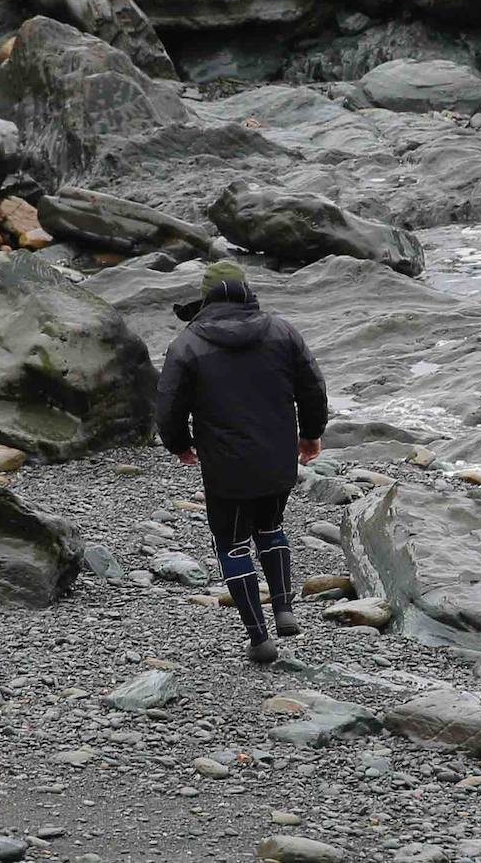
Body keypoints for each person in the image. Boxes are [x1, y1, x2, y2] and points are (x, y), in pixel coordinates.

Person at [155, 261, 328, 664]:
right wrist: (311, 433)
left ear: (207, 295)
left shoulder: (188, 343)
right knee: (271, 528)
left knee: (232, 545)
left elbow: (168, 405)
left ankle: (259, 637)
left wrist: (178, 444)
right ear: (247, 291)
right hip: (277, 457)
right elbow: (312, 386)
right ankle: (283, 607)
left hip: (226, 466)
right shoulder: (282, 330)